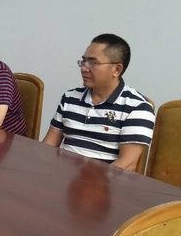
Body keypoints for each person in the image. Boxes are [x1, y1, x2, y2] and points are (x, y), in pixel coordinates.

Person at [43, 34, 155, 171]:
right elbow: (48, 146)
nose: (84, 68)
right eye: (83, 61)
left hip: (104, 182)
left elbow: (127, 164)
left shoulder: (138, 108)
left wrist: (87, 182)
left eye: (93, 63)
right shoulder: (70, 97)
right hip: (61, 177)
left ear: (117, 69)